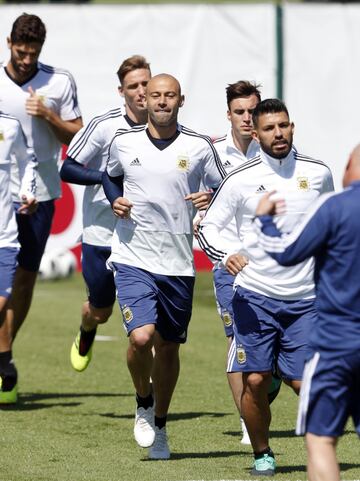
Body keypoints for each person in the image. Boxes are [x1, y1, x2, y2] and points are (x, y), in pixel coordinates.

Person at [198, 98, 334, 475]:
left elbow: (328, 228)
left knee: (305, 382)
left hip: (305, 299)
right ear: (255, 134)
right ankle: (262, 452)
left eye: (284, 126)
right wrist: (228, 254)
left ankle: (321, 453)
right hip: (254, 297)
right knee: (255, 379)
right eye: (270, 128)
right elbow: (209, 229)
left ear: (293, 127)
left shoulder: (318, 173)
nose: (279, 134)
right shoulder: (239, 180)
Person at [103, 73, 225, 460]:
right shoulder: (123, 142)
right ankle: (143, 398)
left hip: (178, 263)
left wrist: (209, 197)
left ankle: (159, 424)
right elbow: (110, 176)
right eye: (154, 95)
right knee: (141, 337)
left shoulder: (200, 146)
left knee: (168, 347)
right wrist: (114, 200)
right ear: (144, 99)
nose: (160, 101)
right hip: (132, 255)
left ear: (180, 100)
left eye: (168, 95)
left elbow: (225, 189)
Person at [254, 144, 360, 481]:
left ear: (348, 166)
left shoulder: (335, 206)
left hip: (335, 345)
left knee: (321, 439)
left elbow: (286, 252)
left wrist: (263, 221)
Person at [0, 13, 82, 403]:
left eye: (33, 53)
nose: (27, 59)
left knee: (24, 280)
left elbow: (76, 133)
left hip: (43, 195)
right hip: (1, 194)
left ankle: (4, 355)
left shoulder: (59, 81)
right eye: (21, 52)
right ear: (8, 43)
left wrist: (49, 115)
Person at [60, 55, 151, 372]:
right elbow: (68, 167)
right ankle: (87, 328)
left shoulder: (166, 129)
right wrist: (106, 179)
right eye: (133, 86)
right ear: (121, 91)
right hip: (101, 235)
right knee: (101, 311)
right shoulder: (104, 126)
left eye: (145, 84)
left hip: (142, 239)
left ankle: (148, 393)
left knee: (145, 325)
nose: (141, 91)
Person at [211, 81, 281, 446]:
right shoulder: (211, 151)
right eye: (239, 112)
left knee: (270, 364)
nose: (246, 119)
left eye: (251, 112)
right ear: (229, 115)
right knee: (237, 340)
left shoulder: (275, 154)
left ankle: (265, 390)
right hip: (229, 264)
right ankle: (246, 419)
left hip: (273, 268)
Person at [0, 111, 37, 403]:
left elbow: (27, 161)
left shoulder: (10, 125)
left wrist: (26, 191)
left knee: (1, 303)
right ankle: (5, 363)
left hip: (4, 237)